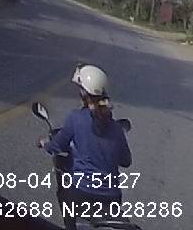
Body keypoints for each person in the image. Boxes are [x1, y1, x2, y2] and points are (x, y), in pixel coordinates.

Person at [41, 64, 132, 230]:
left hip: (81, 193)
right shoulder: (116, 128)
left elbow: (58, 145)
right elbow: (126, 161)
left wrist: (45, 144)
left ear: (83, 94)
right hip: (111, 198)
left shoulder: (75, 118)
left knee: (69, 211)